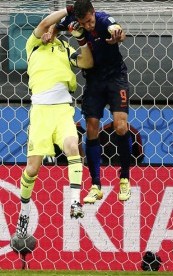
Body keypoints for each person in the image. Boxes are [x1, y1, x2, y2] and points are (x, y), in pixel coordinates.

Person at [14, 7, 94, 238]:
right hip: (40, 111)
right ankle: (24, 212)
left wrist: (80, 39)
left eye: (54, 28)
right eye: (50, 26)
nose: (50, 29)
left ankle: (75, 203)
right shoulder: (34, 45)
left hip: (62, 110)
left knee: (72, 146)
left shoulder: (64, 48)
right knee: (33, 167)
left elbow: (87, 63)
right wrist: (70, 9)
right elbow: (46, 22)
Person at [55, 0, 132, 203]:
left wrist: (118, 35)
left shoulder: (103, 19)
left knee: (121, 126)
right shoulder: (74, 20)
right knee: (91, 127)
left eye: (90, 21)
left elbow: (117, 30)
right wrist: (51, 33)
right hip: (94, 79)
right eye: (84, 23)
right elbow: (55, 25)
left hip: (116, 77)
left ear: (93, 13)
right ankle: (95, 184)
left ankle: (124, 177)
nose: (88, 26)